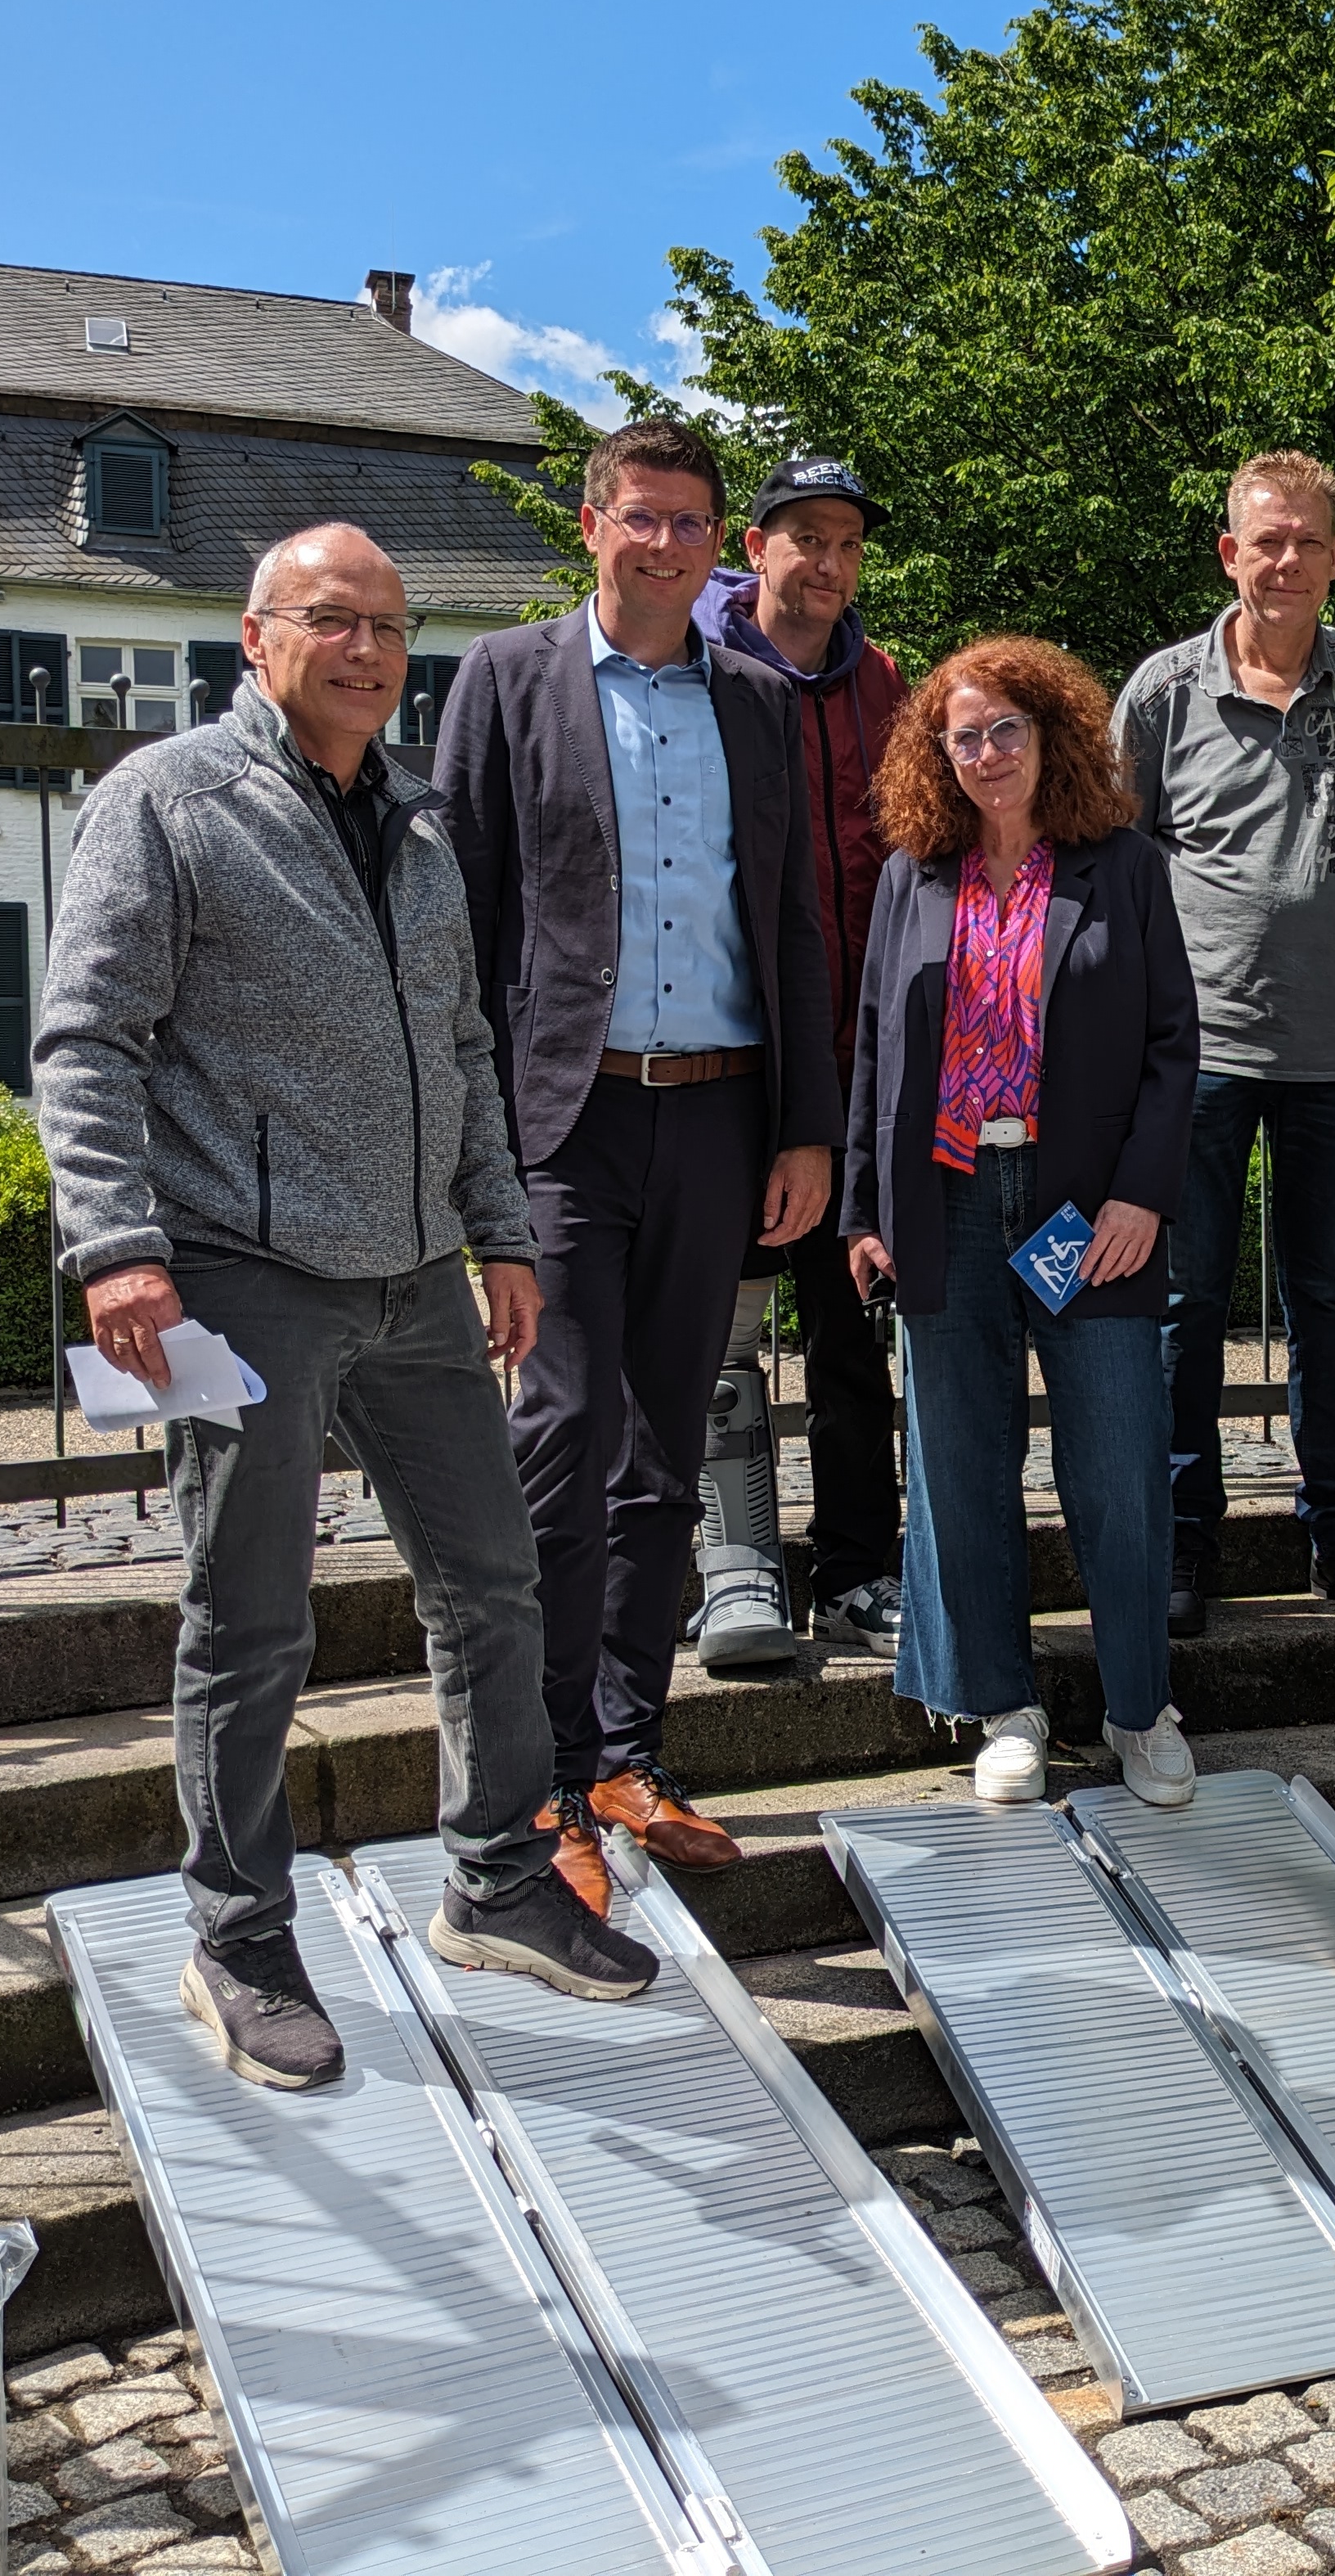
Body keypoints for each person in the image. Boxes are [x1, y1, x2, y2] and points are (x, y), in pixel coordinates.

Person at [39, 522, 651, 2090]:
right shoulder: (165, 804)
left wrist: (497, 1233)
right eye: (333, 619)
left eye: (390, 623)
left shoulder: (423, 826)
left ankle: (498, 1882)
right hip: (235, 1275)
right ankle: (236, 1934)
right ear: (257, 638)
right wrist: (116, 1247)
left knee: (492, 1584)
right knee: (247, 1617)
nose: (369, 649)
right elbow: (87, 1039)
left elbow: (459, 1053)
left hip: (411, 1281)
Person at [434, 419, 839, 1923]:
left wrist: (807, 1127)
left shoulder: (754, 701)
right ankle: (535, 1782)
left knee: (669, 1444)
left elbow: (791, 920)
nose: (662, 543)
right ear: (592, 526)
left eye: (688, 522)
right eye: (638, 517)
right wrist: (473, 1153)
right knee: (562, 1434)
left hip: (724, 1115)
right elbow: (462, 924)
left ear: (717, 545)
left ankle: (623, 1755)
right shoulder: (506, 679)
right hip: (565, 1122)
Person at [844, 637, 1199, 1808]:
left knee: (1118, 1462)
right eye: (966, 736)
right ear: (936, 754)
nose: (989, 753)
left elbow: (1170, 1046)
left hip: (1084, 1208)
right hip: (944, 1201)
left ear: (1051, 738)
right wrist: (865, 1208)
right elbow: (875, 1054)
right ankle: (1003, 1707)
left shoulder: (1125, 867)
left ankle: (1142, 1708)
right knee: (959, 1465)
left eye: (1008, 730)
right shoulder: (915, 873)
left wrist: (1143, 1194)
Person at [1117, 449, 1335, 1630]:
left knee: (1327, 1301)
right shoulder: (1161, 694)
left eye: (1309, 539)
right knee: (1183, 1302)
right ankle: (1181, 1539)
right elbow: (1116, 868)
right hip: (1191, 1055)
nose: (1288, 559)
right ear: (1230, 552)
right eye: (1268, 540)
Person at [689, 454, 911, 1660]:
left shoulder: (883, 683)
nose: (825, 563)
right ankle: (732, 1564)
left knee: (847, 1334)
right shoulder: (702, 673)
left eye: (845, 543)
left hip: (856, 1069)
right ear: (757, 544)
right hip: (732, 1060)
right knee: (719, 1334)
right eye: (803, 538)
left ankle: (857, 1568)